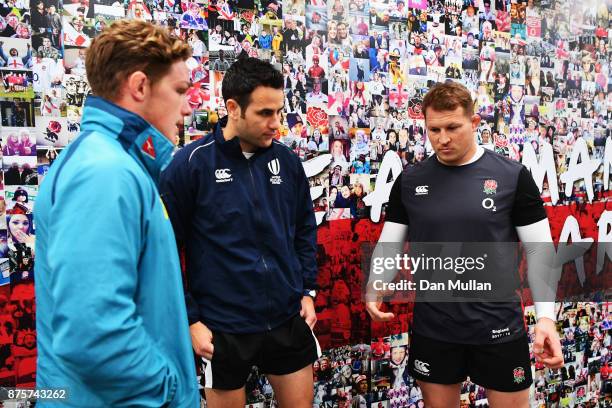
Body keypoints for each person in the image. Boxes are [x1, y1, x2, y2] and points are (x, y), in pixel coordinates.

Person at [366, 82, 563, 407]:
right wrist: (376, 284)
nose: (442, 138)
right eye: (434, 129)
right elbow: (390, 241)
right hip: (435, 328)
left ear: (473, 123)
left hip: (498, 326)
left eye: (452, 127)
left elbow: (540, 249)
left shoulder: (512, 177)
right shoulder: (411, 180)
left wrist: (545, 317)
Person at [33, 20, 199, 406]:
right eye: (179, 91)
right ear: (140, 86)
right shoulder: (105, 172)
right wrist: (170, 390)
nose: (188, 108)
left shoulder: (112, 163)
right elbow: (93, 333)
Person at [160, 56, 319, 408]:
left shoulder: (288, 162)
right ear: (233, 107)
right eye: (265, 113)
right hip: (223, 328)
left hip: (285, 317)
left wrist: (307, 290)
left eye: (279, 111)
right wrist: (191, 320)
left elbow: (305, 230)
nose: (276, 123)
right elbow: (165, 251)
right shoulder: (190, 165)